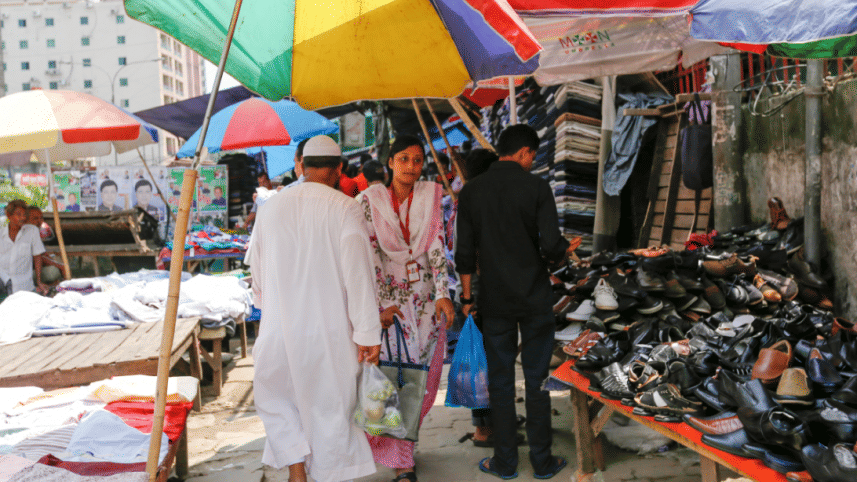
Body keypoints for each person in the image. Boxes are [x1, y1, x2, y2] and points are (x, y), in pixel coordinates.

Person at [247, 135, 381, 482]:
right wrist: (367, 333)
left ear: (300, 166)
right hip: (329, 333)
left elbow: (257, 279)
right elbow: (359, 276)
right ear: (339, 170)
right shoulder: (345, 207)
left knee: (280, 403)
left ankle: (296, 471)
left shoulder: (270, 208)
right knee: (330, 412)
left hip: (279, 331)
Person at [456, 125, 570, 480]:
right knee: (537, 379)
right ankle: (543, 462)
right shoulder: (536, 187)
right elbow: (552, 245)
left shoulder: (471, 191)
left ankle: (505, 463)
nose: (531, 161)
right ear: (524, 152)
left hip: (495, 300)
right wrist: (560, 256)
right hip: (535, 297)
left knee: (501, 382)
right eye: (531, 155)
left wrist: (465, 297)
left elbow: (464, 254)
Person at [358, 134, 455, 482]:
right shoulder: (369, 200)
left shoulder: (431, 195)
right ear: (390, 162)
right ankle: (401, 461)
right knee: (391, 378)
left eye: (417, 160)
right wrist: (377, 306)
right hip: (389, 302)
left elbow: (436, 246)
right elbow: (366, 256)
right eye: (404, 159)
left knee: (417, 378)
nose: (411, 167)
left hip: (425, 301)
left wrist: (443, 293)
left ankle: (404, 451)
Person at [0, 201, 48, 299]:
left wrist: (39, 281)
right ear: (9, 215)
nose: (23, 217)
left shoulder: (32, 231)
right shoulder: (1, 232)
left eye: (24, 215)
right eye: (18, 214)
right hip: (3, 282)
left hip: (24, 286)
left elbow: (37, 256)